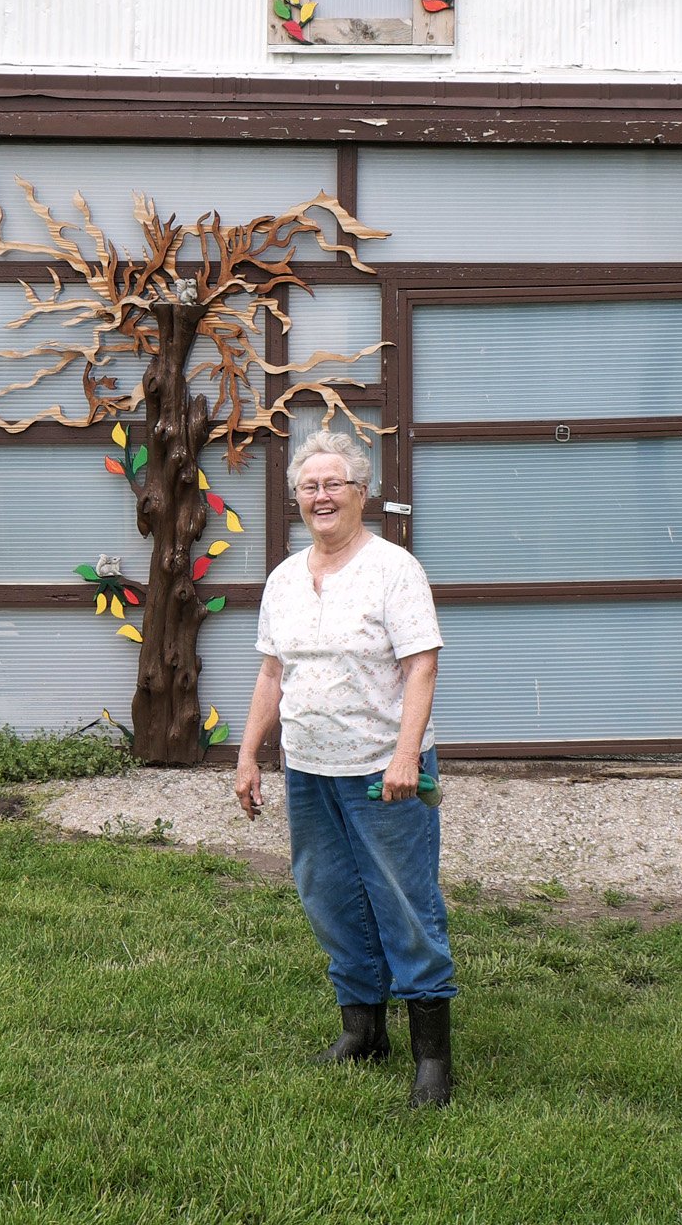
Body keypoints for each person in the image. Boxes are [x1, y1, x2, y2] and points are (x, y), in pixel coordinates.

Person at [233, 427, 455, 1108]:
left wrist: (406, 753)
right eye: (309, 485)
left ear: (362, 493)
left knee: (405, 901)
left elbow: (422, 662)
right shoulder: (284, 578)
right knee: (327, 895)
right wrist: (247, 754)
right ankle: (363, 1029)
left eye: (334, 483)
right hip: (309, 768)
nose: (321, 495)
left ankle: (433, 1060)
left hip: (381, 767)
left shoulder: (393, 568)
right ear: (297, 498)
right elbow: (273, 672)